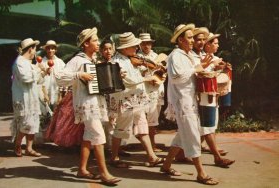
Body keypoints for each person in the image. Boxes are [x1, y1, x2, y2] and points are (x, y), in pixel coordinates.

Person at [55, 27, 121, 185]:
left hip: (95, 103)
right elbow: (59, 77)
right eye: (95, 40)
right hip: (86, 104)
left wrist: (116, 76)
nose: (98, 43)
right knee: (99, 136)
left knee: (88, 137)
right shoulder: (78, 60)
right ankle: (104, 173)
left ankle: (82, 169)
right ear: (85, 44)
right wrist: (79, 75)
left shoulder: (93, 61)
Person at [160, 24, 219, 185]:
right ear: (180, 39)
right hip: (182, 101)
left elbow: (195, 70)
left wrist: (204, 68)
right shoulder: (175, 56)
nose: (193, 40)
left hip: (190, 99)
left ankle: (165, 166)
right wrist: (197, 68)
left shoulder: (187, 55)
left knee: (182, 135)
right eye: (190, 37)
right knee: (192, 134)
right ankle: (201, 173)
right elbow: (177, 76)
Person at [108, 32, 165, 168]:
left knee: (142, 127)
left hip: (136, 99)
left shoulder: (127, 59)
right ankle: (114, 157)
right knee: (121, 129)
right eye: (133, 46)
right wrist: (146, 78)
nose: (136, 48)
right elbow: (128, 81)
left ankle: (152, 156)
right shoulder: (117, 62)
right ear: (125, 48)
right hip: (126, 99)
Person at [193, 29, 235, 167]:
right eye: (215, 43)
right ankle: (217, 157)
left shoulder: (213, 58)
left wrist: (224, 68)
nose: (217, 45)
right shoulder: (197, 58)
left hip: (212, 96)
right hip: (204, 96)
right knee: (207, 127)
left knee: (209, 126)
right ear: (207, 45)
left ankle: (181, 154)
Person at [11, 38, 46, 157]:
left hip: (32, 96)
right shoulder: (19, 62)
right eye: (35, 49)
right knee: (25, 123)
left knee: (34, 122)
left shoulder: (29, 63)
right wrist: (38, 69)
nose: (35, 52)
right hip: (23, 97)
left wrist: (44, 72)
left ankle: (29, 148)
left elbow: (37, 81)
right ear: (30, 49)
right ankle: (18, 144)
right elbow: (26, 78)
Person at [137, 33, 165, 152]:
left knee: (154, 119)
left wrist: (161, 71)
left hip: (157, 90)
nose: (146, 45)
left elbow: (163, 73)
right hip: (144, 90)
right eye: (144, 43)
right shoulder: (137, 57)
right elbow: (137, 74)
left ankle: (151, 144)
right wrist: (149, 69)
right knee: (144, 119)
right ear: (140, 44)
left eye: (148, 43)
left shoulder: (157, 55)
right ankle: (150, 145)